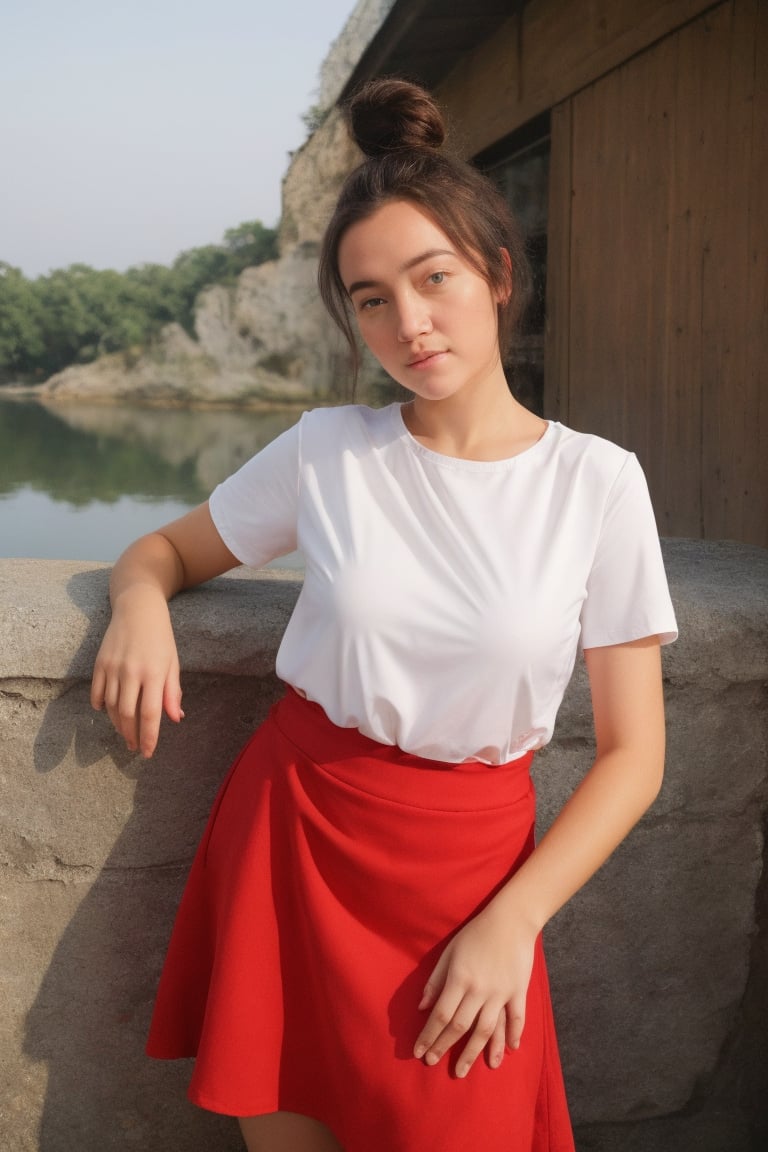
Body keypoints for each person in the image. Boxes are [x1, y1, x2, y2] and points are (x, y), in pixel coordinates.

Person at [91, 79, 678, 1152]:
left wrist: (514, 921)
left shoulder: (597, 483)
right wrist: (138, 601)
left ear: (498, 276)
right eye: (369, 298)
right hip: (296, 846)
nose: (407, 321)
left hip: (472, 886)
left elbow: (635, 754)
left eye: (433, 277)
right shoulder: (328, 452)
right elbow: (163, 549)